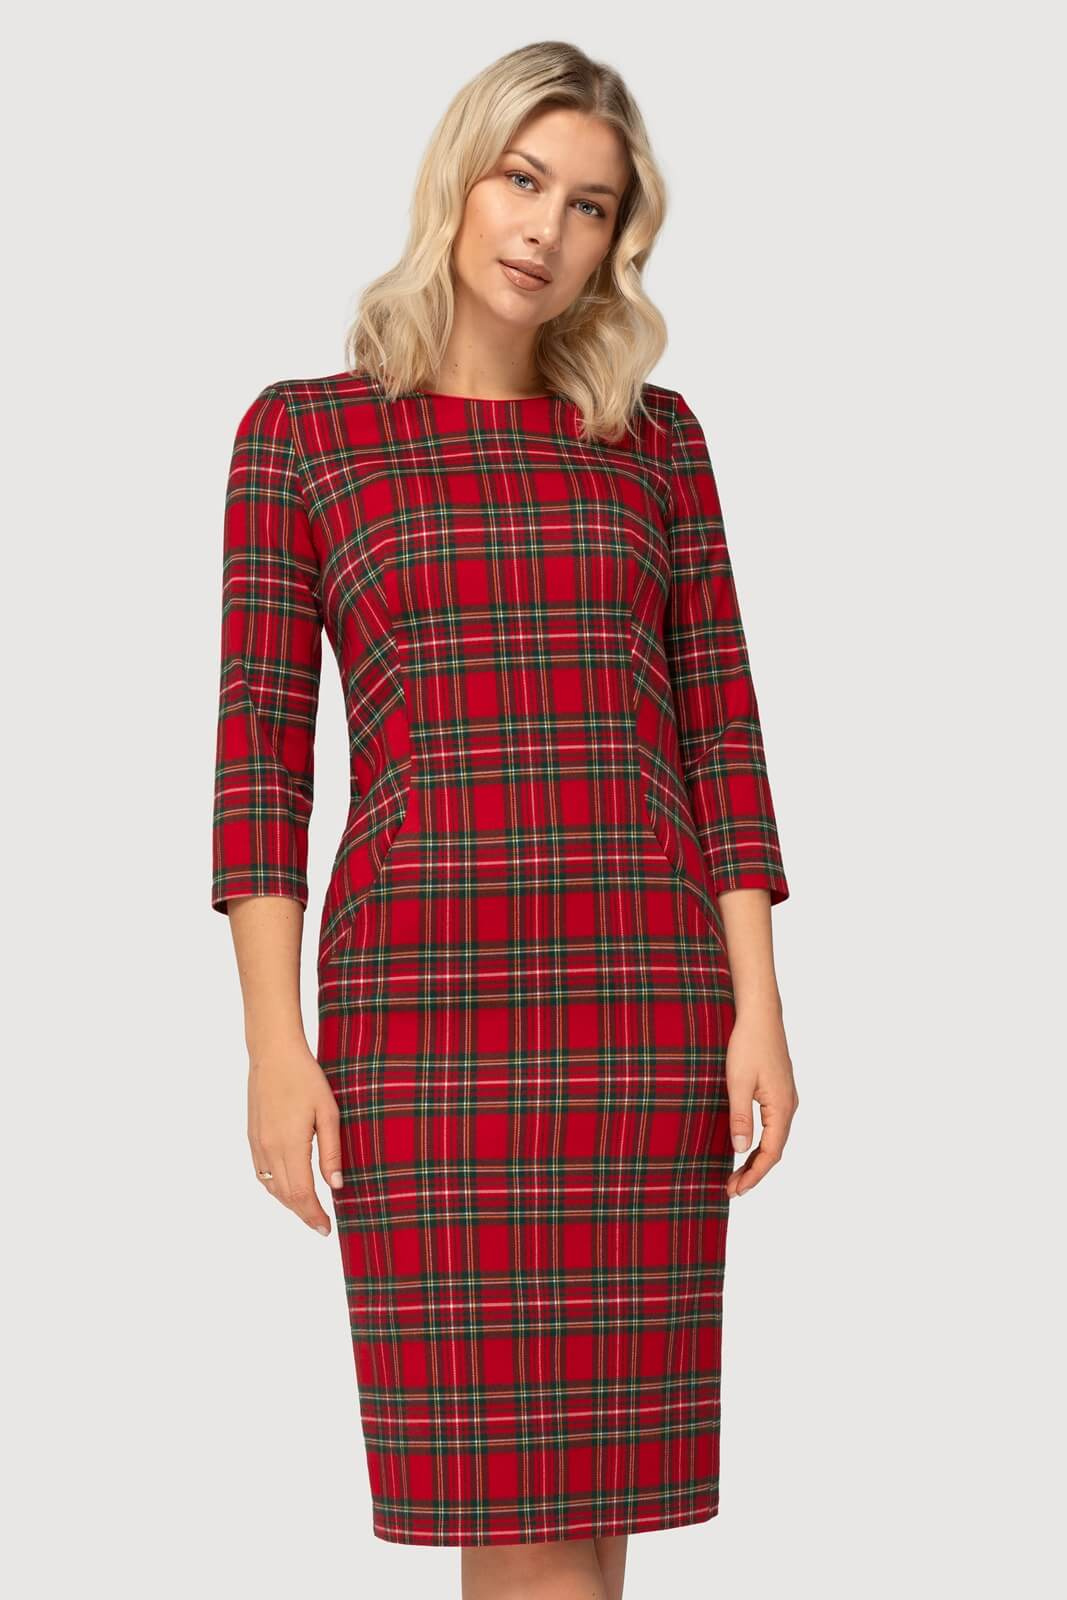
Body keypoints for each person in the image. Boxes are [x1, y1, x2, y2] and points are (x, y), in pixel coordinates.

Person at [210, 38, 798, 1600]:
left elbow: (721, 736)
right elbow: (260, 763)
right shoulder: (304, 435)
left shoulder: (656, 440)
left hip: (640, 1008)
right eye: (522, 179)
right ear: (458, 182)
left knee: (585, 1521)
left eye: (590, 205)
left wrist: (758, 1008)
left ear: (617, 241)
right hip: (427, 1020)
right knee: (521, 1515)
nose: (546, 228)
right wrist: (274, 1048)